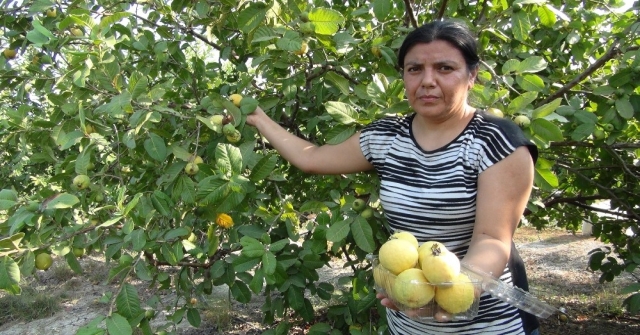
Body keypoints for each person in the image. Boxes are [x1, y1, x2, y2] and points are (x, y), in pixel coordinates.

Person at [246, 19, 540, 335]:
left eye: (444, 68)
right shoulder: (387, 137)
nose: (427, 80)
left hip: (488, 324)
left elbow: (493, 239)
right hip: (408, 320)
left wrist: (452, 292)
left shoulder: (497, 142)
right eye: (414, 69)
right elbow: (312, 159)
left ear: (472, 75)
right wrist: (258, 119)